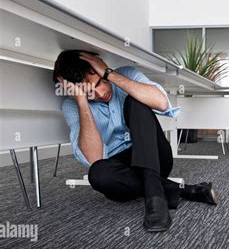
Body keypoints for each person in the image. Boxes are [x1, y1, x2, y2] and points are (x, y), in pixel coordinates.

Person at [54, 50, 217, 232]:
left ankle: (156, 200)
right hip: (122, 170)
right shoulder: (71, 106)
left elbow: (162, 104)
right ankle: (185, 190)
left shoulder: (126, 74)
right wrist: (82, 102)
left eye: (100, 82)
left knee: (136, 100)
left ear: (101, 67)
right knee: (98, 174)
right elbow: (94, 157)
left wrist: (110, 74)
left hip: (154, 156)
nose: (100, 93)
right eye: (89, 93)